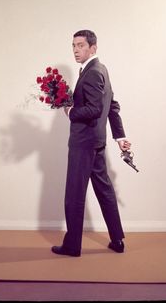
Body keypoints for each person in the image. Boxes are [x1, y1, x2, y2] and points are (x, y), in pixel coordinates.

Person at [51, 30, 131, 257]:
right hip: (97, 141)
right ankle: (117, 240)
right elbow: (112, 106)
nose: (76, 50)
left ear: (93, 48)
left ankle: (72, 246)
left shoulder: (93, 72)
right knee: (104, 190)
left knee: (74, 194)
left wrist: (70, 111)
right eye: (73, 46)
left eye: (81, 45)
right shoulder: (100, 69)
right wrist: (120, 138)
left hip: (83, 142)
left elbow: (96, 109)